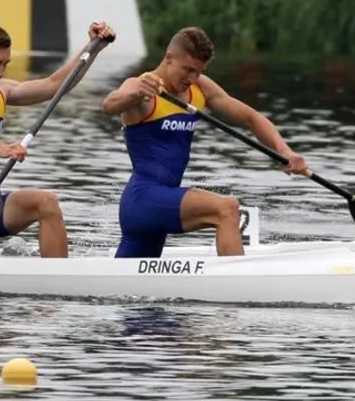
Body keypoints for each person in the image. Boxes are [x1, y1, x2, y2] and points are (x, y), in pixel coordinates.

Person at [101, 26, 309, 259]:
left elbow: (251, 118)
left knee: (130, 286)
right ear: (169, 58)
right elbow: (109, 105)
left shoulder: (200, 88)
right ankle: (238, 284)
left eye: (198, 71)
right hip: (143, 199)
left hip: (162, 203)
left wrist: (285, 151)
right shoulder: (141, 85)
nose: (192, 79)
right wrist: (137, 94)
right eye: (187, 70)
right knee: (226, 207)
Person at [0, 21, 116, 257]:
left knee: (45, 203)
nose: (0, 71)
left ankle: (60, 281)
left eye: (5, 64)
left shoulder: (1, 91)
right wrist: (0, 147)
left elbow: (55, 85)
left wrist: (93, 47)